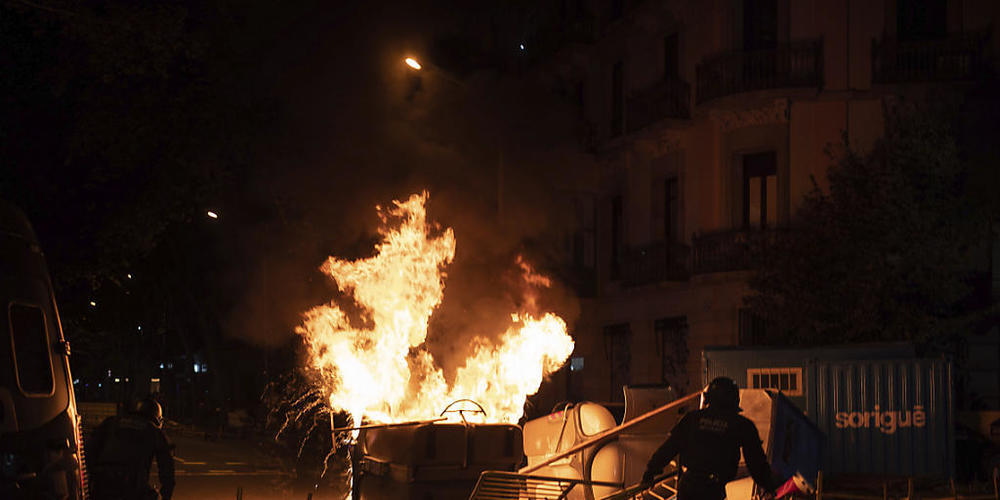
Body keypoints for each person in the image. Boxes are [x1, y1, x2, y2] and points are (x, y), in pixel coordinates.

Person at [641, 377, 780, 500]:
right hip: (712, 489)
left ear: (708, 399)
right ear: (734, 401)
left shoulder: (692, 419)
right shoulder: (741, 425)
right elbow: (756, 462)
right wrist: (768, 486)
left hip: (689, 486)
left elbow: (668, 449)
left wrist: (650, 472)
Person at [89, 397, 175, 500]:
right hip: (133, 488)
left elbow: (89, 451)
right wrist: (165, 496)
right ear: (158, 419)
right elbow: (167, 469)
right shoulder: (153, 430)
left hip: (101, 485)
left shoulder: (111, 422)